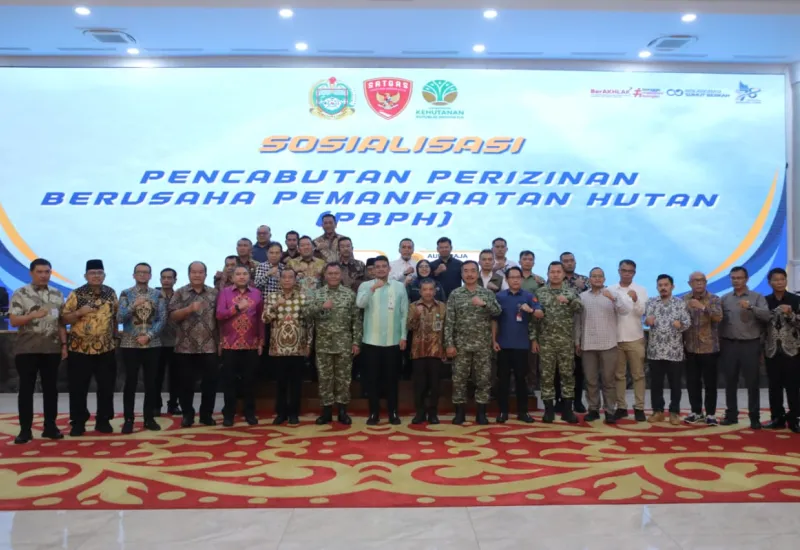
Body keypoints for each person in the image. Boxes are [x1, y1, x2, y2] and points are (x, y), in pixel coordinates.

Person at [9, 258, 67, 444]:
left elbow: (60, 323)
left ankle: (50, 427)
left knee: (51, 389)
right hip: (27, 349)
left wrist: (64, 345)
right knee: (26, 390)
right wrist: (32, 315)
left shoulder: (57, 294)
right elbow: (14, 321)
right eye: (39, 272)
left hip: (52, 349)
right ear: (31, 273)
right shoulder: (21, 293)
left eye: (47, 272)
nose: (43, 275)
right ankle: (25, 430)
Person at [61, 259, 118, 436]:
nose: (96, 276)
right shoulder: (77, 294)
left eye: (99, 273)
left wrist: (115, 337)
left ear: (104, 275)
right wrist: (79, 312)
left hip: (106, 349)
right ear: (85, 276)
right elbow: (64, 319)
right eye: (92, 273)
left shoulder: (110, 293)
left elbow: (115, 317)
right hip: (80, 349)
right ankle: (78, 422)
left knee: (106, 387)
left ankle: (103, 420)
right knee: (78, 388)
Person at [445, 261, 502, 425]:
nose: (469, 274)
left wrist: (484, 304)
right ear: (462, 274)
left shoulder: (487, 293)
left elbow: (498, 312)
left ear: (477, 274)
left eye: (472, 271)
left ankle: (481, 413)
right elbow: (449, 322)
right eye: (466, 271)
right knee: (459, 379)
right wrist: (449, 344)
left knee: (483, 379)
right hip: (461, 345)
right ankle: (459, 413)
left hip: (482, 345)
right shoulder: (455, 294)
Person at [357, 255, 409, 425]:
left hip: (393, 341)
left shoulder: (399, 287)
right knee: (372, 379)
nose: (380, 269)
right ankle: (374, 413)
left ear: (389, 268)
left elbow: (404, 313)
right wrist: (373, 289)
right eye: (377, 267)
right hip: (371, 341)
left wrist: (403, 336)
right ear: (373, 270)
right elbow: (360, 304)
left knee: (392, 379)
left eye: (383, 266)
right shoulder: (365, 286)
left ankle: (393, 413)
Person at [575, 268, 631, 424]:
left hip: (608, 344)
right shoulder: (582, 297)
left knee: (608, 381)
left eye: (600, 276)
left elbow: (624, 311)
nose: (597, 279)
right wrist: (577, 341)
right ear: (589, 279)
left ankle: (609, 411)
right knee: (590, 380)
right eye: (594, 276)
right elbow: (578, 321)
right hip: (588, 344)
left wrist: (614, 299)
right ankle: (593, 409)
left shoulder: (612, 294)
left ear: (604, 279)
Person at [307, 263, 362, 425]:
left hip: (344, 344)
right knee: (325, 378)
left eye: (336, 273)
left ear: (341, 275)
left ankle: (343, 411)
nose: (333, 276)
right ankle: (326, 412)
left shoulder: (349, 294)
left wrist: (356, 342)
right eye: (330, 273)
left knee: (343, 378)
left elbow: (356, 320)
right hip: (323, 344)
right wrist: (321, 307)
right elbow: (306, 314)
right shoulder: (317, 294)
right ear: (325, 275)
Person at [117, 262, 167, 434]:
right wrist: (133, 305)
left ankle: (149, 418)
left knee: (151, 383)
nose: (142, 275)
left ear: (150, 276)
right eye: (139, 272)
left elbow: (162, 319)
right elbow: (120, 318)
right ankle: (128, 419)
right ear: (133, 275)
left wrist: (149, 336)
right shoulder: (126, 293)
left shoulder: (158, 295)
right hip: (130, 343)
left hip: (152, 344)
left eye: (146, 272)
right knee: (130, 382)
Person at [169, 261, 219, 428]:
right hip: (185, 347)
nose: (197, 275)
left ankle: (206, 415)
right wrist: (188, 309)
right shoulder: (180, 293)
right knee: (186, 384)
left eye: (200, 272)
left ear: (205, 274)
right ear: (189, 274)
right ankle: (187, 415)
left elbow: (220, 317)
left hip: (209, 346)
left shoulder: (214, 293)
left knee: (210, 384)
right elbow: (172, 317)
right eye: (194, 272)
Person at [720, 266, 770, 428]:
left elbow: (767, 316)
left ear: (746, 279)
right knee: (730, 382)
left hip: (750, 345)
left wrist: (751, 308)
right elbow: (719, 321)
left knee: (752, 382)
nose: (736, 281)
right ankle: (731, 415)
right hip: (729, 344)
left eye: (739, 278)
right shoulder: (725, 298)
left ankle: (754, 417)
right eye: (733, 278)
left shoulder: (757, 297)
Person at [492, 266, 542, 423]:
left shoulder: (528, 296)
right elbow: (494, 320)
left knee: (522, 380)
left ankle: (523, 412)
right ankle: (503, 412)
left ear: (521, 279)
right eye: (512, 277)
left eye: (518, 277)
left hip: (522, 345)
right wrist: (494, 340)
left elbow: (540, 314)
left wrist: (531, 310)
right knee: (503, 380)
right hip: (503, 345)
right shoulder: (499, 297)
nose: (515, 280)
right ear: (506, 280)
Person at [534, 261, 582, 424]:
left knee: (567, 376)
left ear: (563, 274)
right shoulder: (540, 293)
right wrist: (534, 339)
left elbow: (580, 308)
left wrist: (569, 301)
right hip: (546, 342)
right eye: (552, 272)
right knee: (546, 376)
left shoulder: (570, 292)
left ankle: (568, 410)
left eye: (558, 272)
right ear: (548, 274)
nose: (555, 275)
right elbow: (533, 319)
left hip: (565, 342)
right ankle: (548, 410)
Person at [216, 266, 264, 427]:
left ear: (249, 276)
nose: (241, 277)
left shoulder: (256, 293)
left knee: (250, 381)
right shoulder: (225, 293)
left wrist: (261, 340)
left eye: (244, 274)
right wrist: (236, 308)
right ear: (232, 277)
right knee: (229, 381)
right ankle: (228, 414)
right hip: (230, 344)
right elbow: (219, 315)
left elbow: (260, 319)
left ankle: (249, 413)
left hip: (251, 344)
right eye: (238, 274)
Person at [263, 268, 312, 425]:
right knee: (281, 383)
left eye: (290, 277)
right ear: (279, 280)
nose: (287, 280)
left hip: (298, 347)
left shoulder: (303, 298)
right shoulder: (272, 297)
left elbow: (309, 323)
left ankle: (294, 413)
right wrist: (275, 305)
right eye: (284, 277)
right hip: (278, 348)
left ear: (295, 280)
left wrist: (309, 344)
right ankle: (281, 413)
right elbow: (265, 319)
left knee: (296, 383)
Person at [645, 274, 691, 426]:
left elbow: (687, 323)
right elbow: (645, 320)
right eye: (660, 285)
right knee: (656, 384)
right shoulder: (651, 302)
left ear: (672, 286)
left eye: (666, 285)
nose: (663, 288)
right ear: (657, 287)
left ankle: (674, 412)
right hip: (655, 351)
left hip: (674, 351)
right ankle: (657, 411)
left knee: (675, 384)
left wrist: (680, 325)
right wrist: (647, 321)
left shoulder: (680, 303)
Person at [608, 259, 648, 422]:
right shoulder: (610, 289)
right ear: (619, 271)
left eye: (630, 271)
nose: (626, 274)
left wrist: (636, 299)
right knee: (618, 375)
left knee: (638, 375)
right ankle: (621, 407)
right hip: (615, 338)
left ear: (634, 273)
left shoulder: (641, 290)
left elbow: (642, 313)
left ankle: (639, 407)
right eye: (624, 270)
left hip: (635, 337)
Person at [682, 271, 723, 425]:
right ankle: (696, 412)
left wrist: (703, 307)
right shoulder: (684, 300)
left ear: (705, 282)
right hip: (691, 348)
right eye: (695, 280)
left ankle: (711, 414)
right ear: (689, 284)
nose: (699, 283)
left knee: (710, 383)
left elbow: (718, 317)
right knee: (692, 382)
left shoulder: (714, 299)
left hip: (709, 348)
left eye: (702, 280)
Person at [763, 267, 800, 433]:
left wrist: (790, 314)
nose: (779, 282)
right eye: (775, 280)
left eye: (782, 279)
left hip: (792, 350)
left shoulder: (795, 300)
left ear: (786, 280)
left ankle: (795, 419)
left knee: (793, 387)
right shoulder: (765, 301)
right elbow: (762, 326)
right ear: (769, 282)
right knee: (774, 387)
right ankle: (777, 418)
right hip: (771, 350)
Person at [407, 278, 446, 425]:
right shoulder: (413, 306)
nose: (428, 292)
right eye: (425, 289)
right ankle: (420, 412)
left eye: (431, 289)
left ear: (435, 291)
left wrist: (445, 347)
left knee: (435, 385)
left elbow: (446, 328)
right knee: (420, 385)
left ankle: (433, 413)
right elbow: (409, 327)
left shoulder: (442, 306)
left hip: (436, 351)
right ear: (420, 291)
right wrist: (416, 316)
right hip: (419, 351)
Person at [557, 251, 589, 414]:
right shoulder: (555, 280)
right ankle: (560, 400)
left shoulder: (584, 280)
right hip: (558, 330)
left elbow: (595, 295)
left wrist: (583, 287)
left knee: (578, 369)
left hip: (578, 329)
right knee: (559, 370)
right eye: (565, 261)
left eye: (571, 260)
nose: (569, 263)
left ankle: (577, 401)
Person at [155, 268, 181, 416]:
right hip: (156, 342)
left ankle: (173, 405)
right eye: (163, 277)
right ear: (160, 279)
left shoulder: (179, 296)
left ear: (175, 280)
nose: (166, 280)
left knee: (175, 376)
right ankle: (156, 405)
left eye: (169, 278)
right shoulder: (154, 296)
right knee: (156, 376)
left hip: (175, 342)